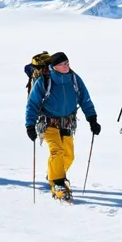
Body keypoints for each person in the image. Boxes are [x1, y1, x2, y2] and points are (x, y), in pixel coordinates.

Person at [24, 52, 100, 201]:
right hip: (48, 123)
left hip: (67, 123)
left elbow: (85, 99)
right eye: (63, 64)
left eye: (68, 63)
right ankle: (57, 182)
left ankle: (54, 173)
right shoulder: (44, 81)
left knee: (69, 156)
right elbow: (32, 104)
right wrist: (30, 125)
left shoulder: (74, 79)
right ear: (55, 67)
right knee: (57, 151)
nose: (67, 66)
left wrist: (92, 119)